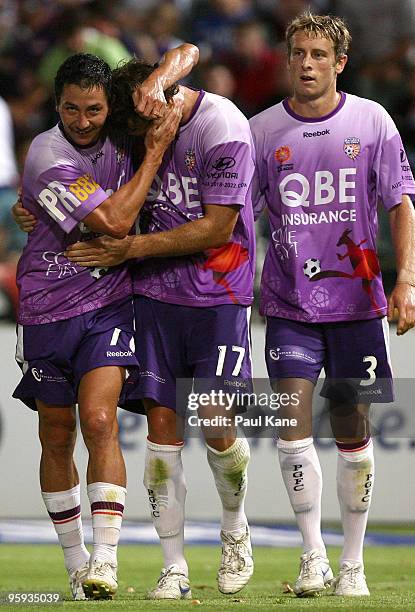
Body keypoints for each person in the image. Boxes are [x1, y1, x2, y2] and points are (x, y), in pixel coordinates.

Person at [64, 57, 256, 600]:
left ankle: (234, 529)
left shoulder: (222, 125)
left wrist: (132, 249)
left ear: (162, 99)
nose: (141, 139)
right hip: (151, 296)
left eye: (144, 126)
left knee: (218, 426)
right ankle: (172, 565)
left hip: (218, 293)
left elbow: (218, 227)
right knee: (161, 433)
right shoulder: (134, 132)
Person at [12, 45, 199, 601]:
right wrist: (154, 153)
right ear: (57, 106)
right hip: (45, 304)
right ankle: (74, 563)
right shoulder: (47, 154)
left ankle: (106, 560)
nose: (84, 121)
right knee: (55, 433)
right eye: (72, 110)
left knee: (99, 420)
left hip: (107, 301)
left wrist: (163, 78)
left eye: (94, 110)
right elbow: (115, 222)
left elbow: (187, 63)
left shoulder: (119, 129)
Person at [249, 12, 415, 598]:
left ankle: (353, 561)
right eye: (297, 52)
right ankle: (314, 555)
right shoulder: (261, 130)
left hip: (358, 303)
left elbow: (400, 203)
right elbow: (237, 218)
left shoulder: (372, 121)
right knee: (291, 429)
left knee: (352, 427)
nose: (306, 63)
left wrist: (406, 282)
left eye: (318, 54)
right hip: (290, 302)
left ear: (339, 62)